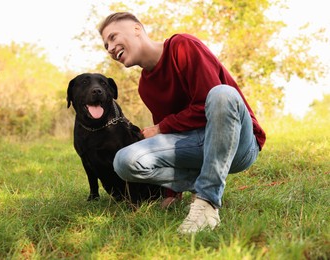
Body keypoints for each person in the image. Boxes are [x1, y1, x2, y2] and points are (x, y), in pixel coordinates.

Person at [98, 12, 266, 234]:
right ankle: (203, 181)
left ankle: (207, 202)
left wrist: (161, 127)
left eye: (112, 37)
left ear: (137, 29)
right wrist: (170, 193)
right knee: (124, 161)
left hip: (237, 144)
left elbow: (206, 105)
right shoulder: (145, 87)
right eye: (105, 45)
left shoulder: (182, 46)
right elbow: (167, 139)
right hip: (196, 147)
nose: (110, 48)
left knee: (222, 94)